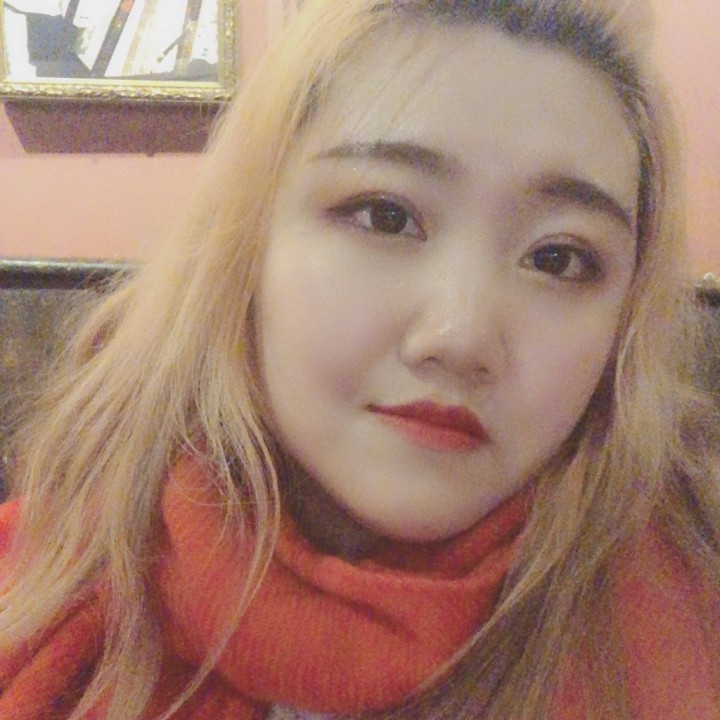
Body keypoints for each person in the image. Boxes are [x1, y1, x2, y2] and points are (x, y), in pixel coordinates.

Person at [1, 1, 719, 718]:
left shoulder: (688, 614)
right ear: (250, 242)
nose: (460, 337)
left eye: (558, 258)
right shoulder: (33, 589)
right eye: (387, 216)